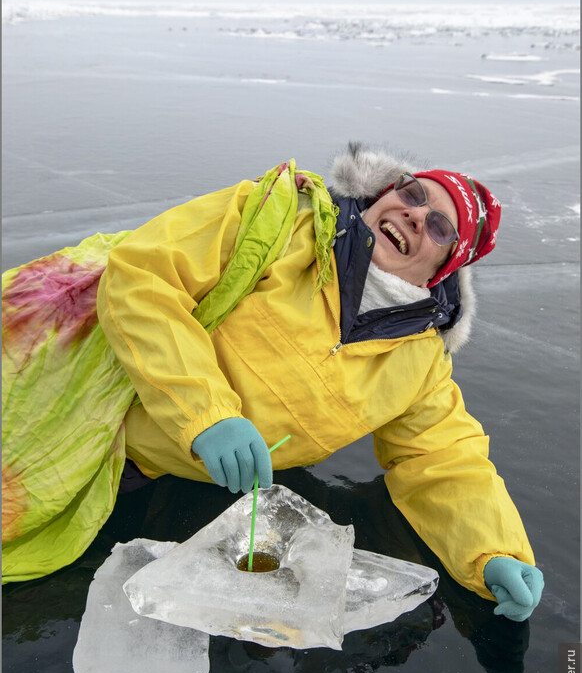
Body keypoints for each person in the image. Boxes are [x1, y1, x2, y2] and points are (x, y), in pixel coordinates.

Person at [2, 142, 544, 622]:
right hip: (85, 403)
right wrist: (207, 414)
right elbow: (144, 279)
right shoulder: (279, 219)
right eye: (414, 193)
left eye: (441, 226)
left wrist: (494, 552)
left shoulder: (419, 360)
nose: (415, 214)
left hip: (155, 480)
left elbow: (442, 459)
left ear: (449, 264)